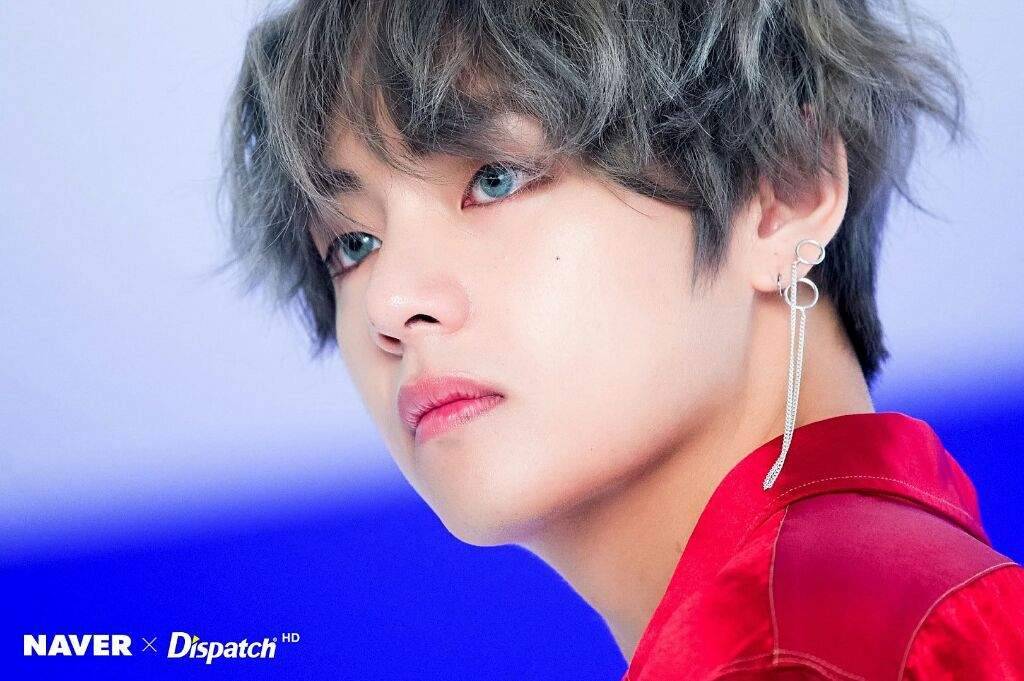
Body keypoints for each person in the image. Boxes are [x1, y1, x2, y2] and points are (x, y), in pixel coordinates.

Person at [216, 0, 1024, 677]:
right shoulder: (898, 608)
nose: (390, 304)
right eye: (351, 245)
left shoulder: (802, 648)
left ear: (785, 188)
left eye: (494, 179)